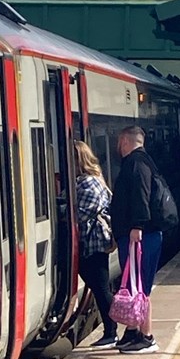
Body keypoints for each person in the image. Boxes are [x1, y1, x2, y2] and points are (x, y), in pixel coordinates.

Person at [110, 125, 163, 354]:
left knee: (140, 286)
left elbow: (141, 195)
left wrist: (136, 226)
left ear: (124, 140)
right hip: (141, 234)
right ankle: (132, 331)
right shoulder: (144, 161)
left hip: (140, 235)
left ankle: (147, 336)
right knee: (134, 284)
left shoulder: (136, 164)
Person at [75, 140, 117, 348]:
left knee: (101, 287)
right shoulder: (92, 180)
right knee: (99, 286)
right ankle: (111, 330)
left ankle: (111, 331)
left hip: (95, 242)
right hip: (94, 241)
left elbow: (81, 214)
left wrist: (59, 209)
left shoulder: (88, 183)